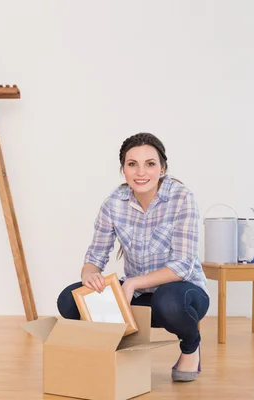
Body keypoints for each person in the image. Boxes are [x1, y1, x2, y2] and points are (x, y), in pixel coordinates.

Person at [56, 132, 209, 382]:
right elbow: (95, 256)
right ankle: (116, 353)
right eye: (132, 164)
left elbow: (182, 266)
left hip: (182, 295)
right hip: (136, 297)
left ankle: (191, 346)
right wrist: (90, 275)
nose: (141, 172)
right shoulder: (114, 203)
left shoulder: (182, 198)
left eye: (150, 164)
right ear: (123, 170)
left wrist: (133, 282)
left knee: (168, 300)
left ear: (162, 169)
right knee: (69, 300)